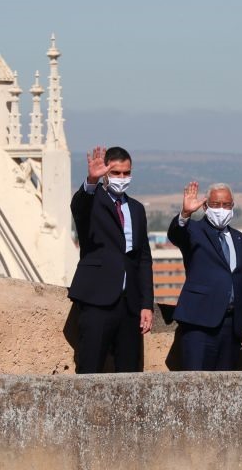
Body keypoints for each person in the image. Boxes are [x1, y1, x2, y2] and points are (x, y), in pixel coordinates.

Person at [68, 146, 154, 373]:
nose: (122, 178)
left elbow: (143, 258)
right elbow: (79, 207)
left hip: (129, 305)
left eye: (126, 173)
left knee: (129, 372)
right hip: (97, 300)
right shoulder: (93, 200)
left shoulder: (136, 209)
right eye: (116, 173)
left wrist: (146, 304)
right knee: (90, 368)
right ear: (106, 173)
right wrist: (91, 181)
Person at [167, 182, 242, 371]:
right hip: (200, 323)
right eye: (215, 205)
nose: (221, 209)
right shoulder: (194, 231)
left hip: (231, 325)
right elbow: (176, 235)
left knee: (225, 385)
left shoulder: (239, 239)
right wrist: (185, 214)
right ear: (205, 206)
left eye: (226, 205)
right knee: (195, 382)